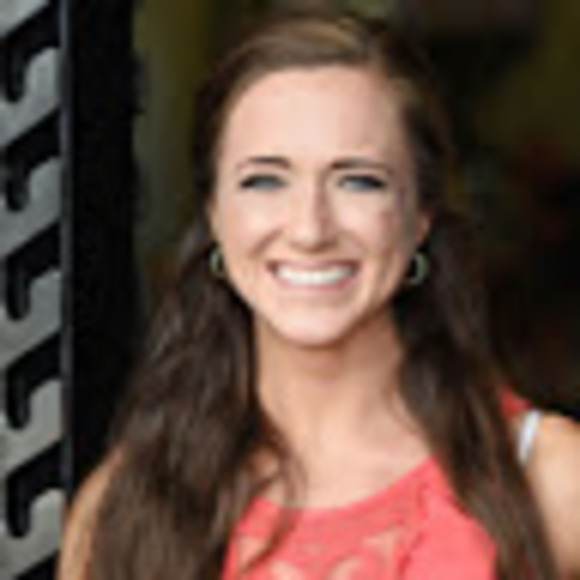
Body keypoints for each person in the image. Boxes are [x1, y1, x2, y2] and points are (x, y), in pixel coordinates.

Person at [58, 10, 580, 580]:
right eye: (264, 180)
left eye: (359, 180)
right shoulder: (127, 507)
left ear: (421, 213)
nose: (310, 229)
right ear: (214, 213)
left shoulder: (549, 478)